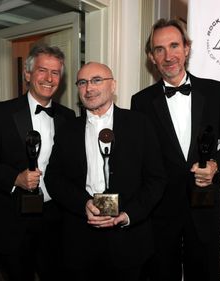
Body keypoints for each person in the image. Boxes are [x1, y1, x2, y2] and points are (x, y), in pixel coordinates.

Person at [131, 18, 220, 281]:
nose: (168, 55)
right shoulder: (141, 102)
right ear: (151, 57)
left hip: (204, 207)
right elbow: (141, 158)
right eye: (159, 49)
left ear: (187, 48)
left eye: (174, 46)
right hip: (160, 211)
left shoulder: (216, 92)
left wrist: (215, 165)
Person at [44, 62, 167, 281]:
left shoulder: (140, 124)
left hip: (129, 239)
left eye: (97, 80)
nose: (89, 88)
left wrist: (128, 215)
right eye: (82, 82)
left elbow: (156, 179)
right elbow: (54, 179)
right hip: (80, 238)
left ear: (113, 86)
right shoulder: (67, 128)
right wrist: (84, 203)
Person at [0, 44, 75, 281]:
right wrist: (14, 178)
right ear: (28, 74)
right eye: (43, 70)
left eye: (55, 73)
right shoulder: (0, 113)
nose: (49, 78)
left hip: (54, 216)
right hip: (13, 216)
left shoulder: (68, 117)